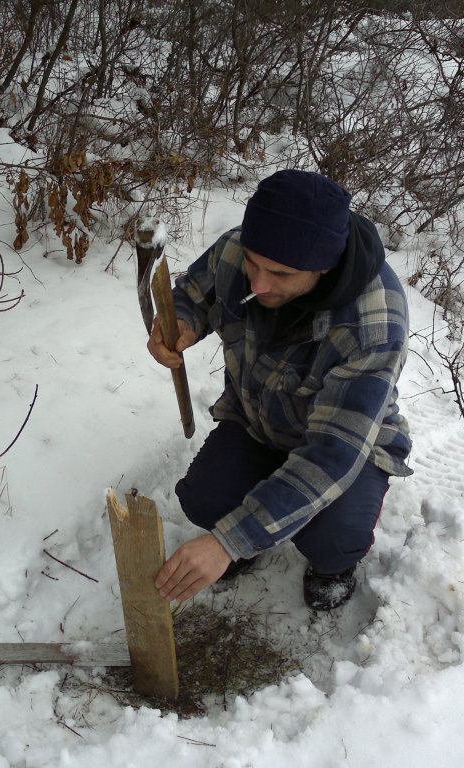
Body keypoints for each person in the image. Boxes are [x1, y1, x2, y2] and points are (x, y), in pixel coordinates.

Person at [147, 169, 412, 611]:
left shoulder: (373, 320)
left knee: (332, 538)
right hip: (259, 421)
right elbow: (194, 294)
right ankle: (255, 534)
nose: (258, 284)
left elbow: (331, 456)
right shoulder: (245, 248)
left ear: (324, 268)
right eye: (253, 264)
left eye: (282, 274)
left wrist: (227, 543)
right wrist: (182, 323)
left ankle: (333, 565)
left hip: (344, 447)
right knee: (202, 500)